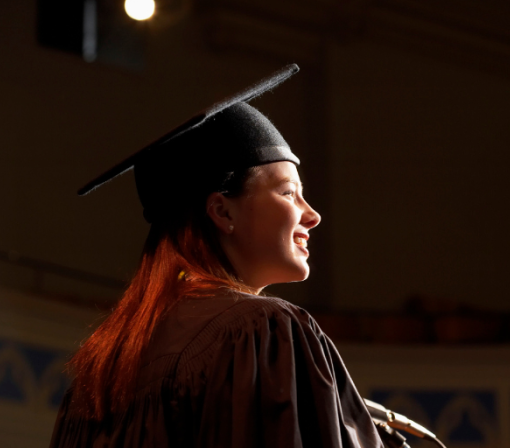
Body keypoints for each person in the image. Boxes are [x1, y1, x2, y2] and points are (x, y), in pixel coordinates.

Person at [50, 65, 383, 448]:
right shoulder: (261, 332)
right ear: (222, 212)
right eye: (289, 193)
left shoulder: (100, 369)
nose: (313, 215)